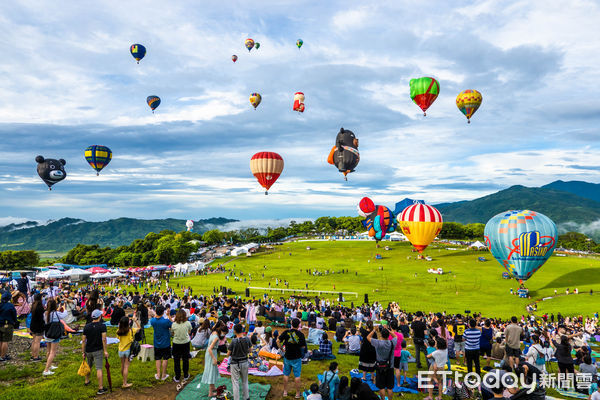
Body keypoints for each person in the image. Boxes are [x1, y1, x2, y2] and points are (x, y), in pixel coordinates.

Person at [278, 318, 307, 399]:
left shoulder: (286, 332)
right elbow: (303, 346)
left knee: (286, 374)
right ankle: (297, 394)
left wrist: (281, 348)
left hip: (287, 356)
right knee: (297, 376)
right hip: (297, 358)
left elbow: (278, 340)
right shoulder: (301, 335)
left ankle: (285, 392)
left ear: (291, 324)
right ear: (299, 325)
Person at [82, 309, 109, 395]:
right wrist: (105, 351)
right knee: (99, 368)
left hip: (88, 350)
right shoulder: (102, 326)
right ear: (100, 316)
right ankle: (100, 388)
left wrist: (83, 352)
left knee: (88, 365)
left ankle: (86, 381)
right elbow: (104, 339)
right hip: (98, 350)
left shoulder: (86, 326)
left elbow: (83, 340)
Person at [367, 325, 396, 400]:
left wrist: (374, 330)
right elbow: (396, 336)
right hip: (390, 367)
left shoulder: (378, 343)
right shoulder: (392, 343)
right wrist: (388, 330)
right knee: (390, 387)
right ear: (388, 335)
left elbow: (368, 337)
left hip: (380, 367)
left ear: (381, 335)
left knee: (381, 387)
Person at [227, 323, 251, 400]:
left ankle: (236, 398)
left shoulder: (233, 341)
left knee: (235, 382)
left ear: (234, 331)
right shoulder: (247, 339)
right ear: (242, 330)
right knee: (245, 381)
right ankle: (246, 397)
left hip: (235, 363)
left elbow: (228, 354)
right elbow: (250, 350)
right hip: (244, 361)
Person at [43, 298, 66, 376]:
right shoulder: (56, 314)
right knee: (53, 352)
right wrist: (64, 308)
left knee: (48, 351)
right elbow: (64, 315)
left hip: (47, 334)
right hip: (54, 334)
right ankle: (46, 370)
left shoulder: (45, 314)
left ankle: (49, 366)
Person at [116, 315, 140, 388]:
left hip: (120, 350)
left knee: (122, 366)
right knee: (126, 367)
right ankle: (125, 383)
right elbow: (139, 328)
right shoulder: (131, 330)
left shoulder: (118, 331)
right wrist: (135, 320)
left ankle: (124, 379)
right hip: (128, 350)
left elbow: (118, 339)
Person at [150, 305, 172, 381]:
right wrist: (168, 315)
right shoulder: (166, 321)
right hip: (166, 342)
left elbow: (155, 318)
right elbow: (172, 325)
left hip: (157, 342)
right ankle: (163, 375)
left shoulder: (152, 321)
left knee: (158, 358)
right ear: (163, 312)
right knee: (165, 358)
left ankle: (158, 374)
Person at [200, 323, 222, 397]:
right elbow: (210, 348)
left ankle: (212, 387)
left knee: (211, 369)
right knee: (211, 371)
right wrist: (214, 359)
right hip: (211, 353)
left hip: (210, 353)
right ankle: (210, 393)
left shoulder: (213, 333)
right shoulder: (216, 337)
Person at [171, 309, 192, 385]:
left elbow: (172, 333)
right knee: (185, 359)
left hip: (177, 343)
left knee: (176, 360)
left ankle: (177, 376)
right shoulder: (188, 323)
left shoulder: (174, 324)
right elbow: (189, 331)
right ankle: (185, 375)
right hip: (185, 343)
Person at [0, 291, 17, 361]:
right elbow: (14, 315)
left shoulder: (0, 305)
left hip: (0, 323)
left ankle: (1, 354)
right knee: (5, 341)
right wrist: (14, 322)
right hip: (7, 324)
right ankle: (3, 356)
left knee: (0, 340)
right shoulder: (10, 306)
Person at [29, 293, 45, 361]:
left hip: (33, 325)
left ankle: (33, 354)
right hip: (39, 325)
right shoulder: (40, 307)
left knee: (34, 341)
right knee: (37, 342)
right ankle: (36, 356)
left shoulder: (33, 305)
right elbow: (42, 317)